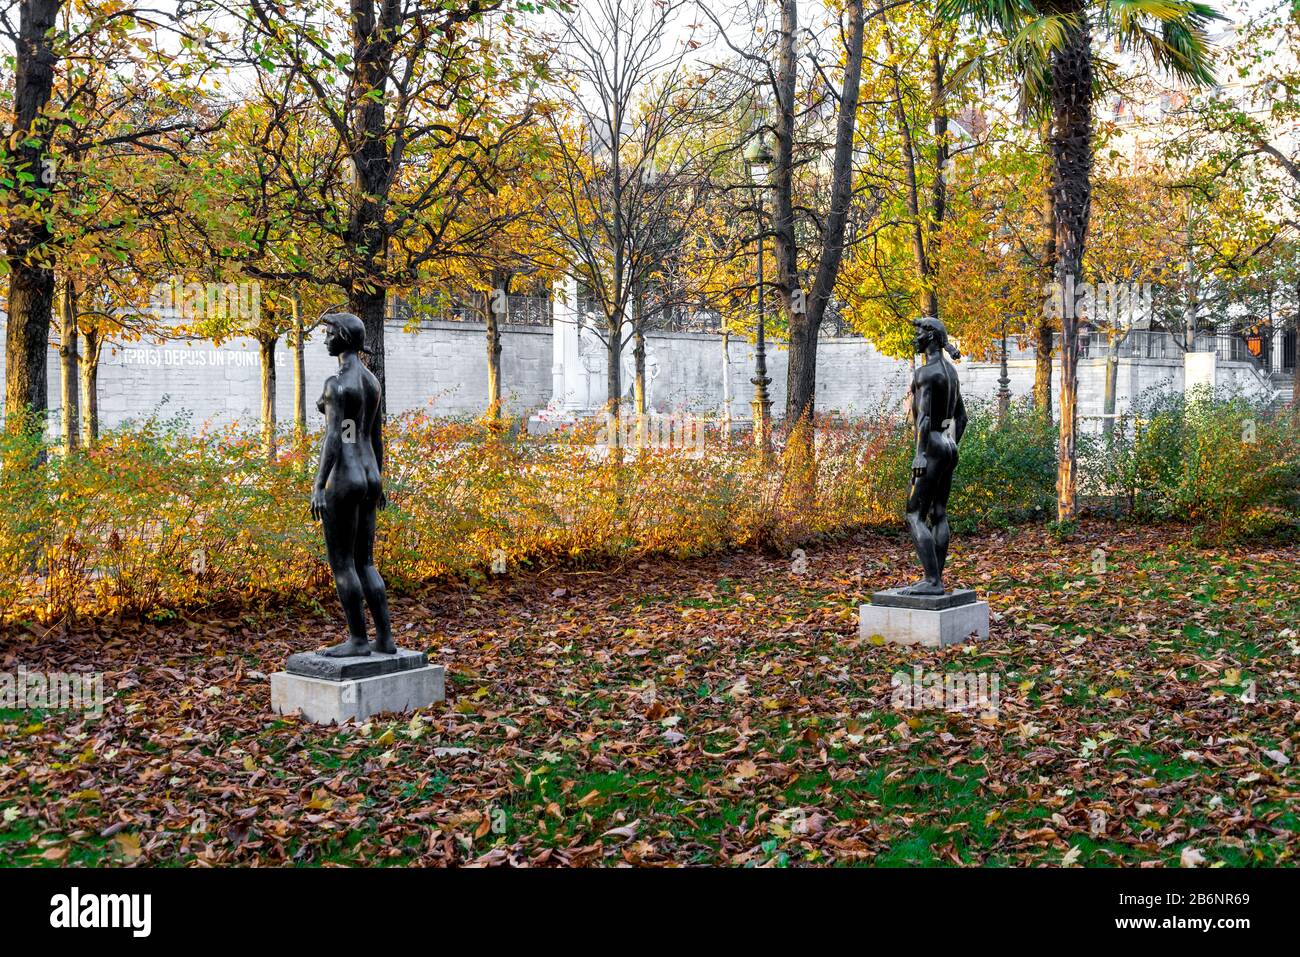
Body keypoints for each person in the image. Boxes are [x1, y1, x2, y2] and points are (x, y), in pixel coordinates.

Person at [308, 312, 395, 656]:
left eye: (329, 333)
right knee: (366, 562)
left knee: (343, 563)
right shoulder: (372, 382)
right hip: (369, 475)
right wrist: (379, 481)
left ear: (343, 337)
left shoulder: (337, 384)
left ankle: (359, 639)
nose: (325, 338)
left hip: (344, 477)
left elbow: (334, 437)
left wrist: (318, 484)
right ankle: (385, 638)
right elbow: (373, 437)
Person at [900, 316, 967, 596]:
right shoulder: (951, 372)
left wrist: (921, 454)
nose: (914, 338)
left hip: (931, 445)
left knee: (914, 513)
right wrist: (949, 444)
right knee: (939, 513)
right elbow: (962, 418)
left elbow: (924, 420)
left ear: (931, 337)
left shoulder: (925, 374)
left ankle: (931, 581)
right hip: (948, 445)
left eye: (918, 333)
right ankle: (936, 579)